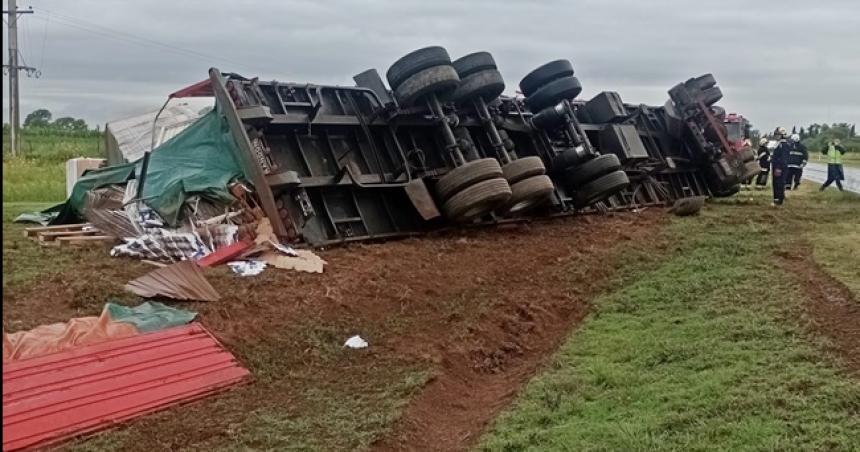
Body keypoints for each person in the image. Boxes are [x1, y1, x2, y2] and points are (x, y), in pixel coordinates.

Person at [771, 127, 790, 205]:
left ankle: (779, 199)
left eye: (778, 134)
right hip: (776, 166)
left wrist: (779, 168)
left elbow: (783, 158)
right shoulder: (778, 144)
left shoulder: (784, 145)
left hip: (780, 167)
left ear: (782, 135)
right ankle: (776, 198)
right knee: (775, 183)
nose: (776, 136)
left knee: (779, 183)